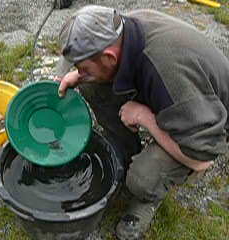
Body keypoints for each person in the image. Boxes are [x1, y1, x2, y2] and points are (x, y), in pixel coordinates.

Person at [54, 5, 229, 240]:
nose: (78, 71)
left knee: (142, 178)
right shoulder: (122, 30)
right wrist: (81, 75)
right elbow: (102, 69)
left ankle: (148, 197)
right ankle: (126, 152)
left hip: (203, 123)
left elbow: (201, 158)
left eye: (81, 66)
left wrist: (144, 117)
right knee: (89, 84)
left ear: (109, 57)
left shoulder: (167, 74)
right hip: (177, 98)